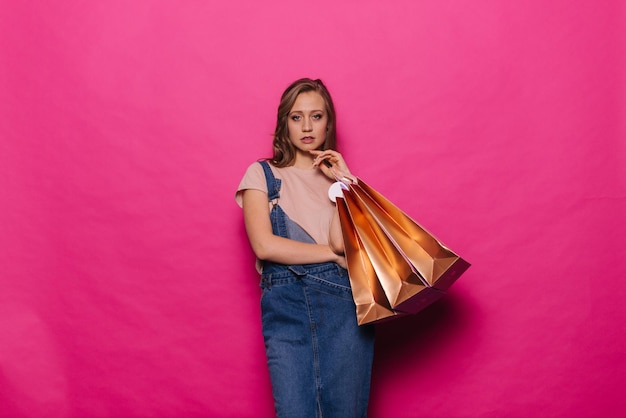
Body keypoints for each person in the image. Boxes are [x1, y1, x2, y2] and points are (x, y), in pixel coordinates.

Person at [235, 78, 375, 417]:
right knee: (295, 410)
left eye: (317, 116)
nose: (307, 126)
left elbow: (344, 244)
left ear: (329, 122)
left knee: (346, 411)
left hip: (343, 307)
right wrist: (329, 256)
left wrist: (345, 182)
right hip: (287, 307)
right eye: (296, 117)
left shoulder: (339, 182)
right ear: (284, 123)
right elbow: (264, 246)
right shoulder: (262, 175)